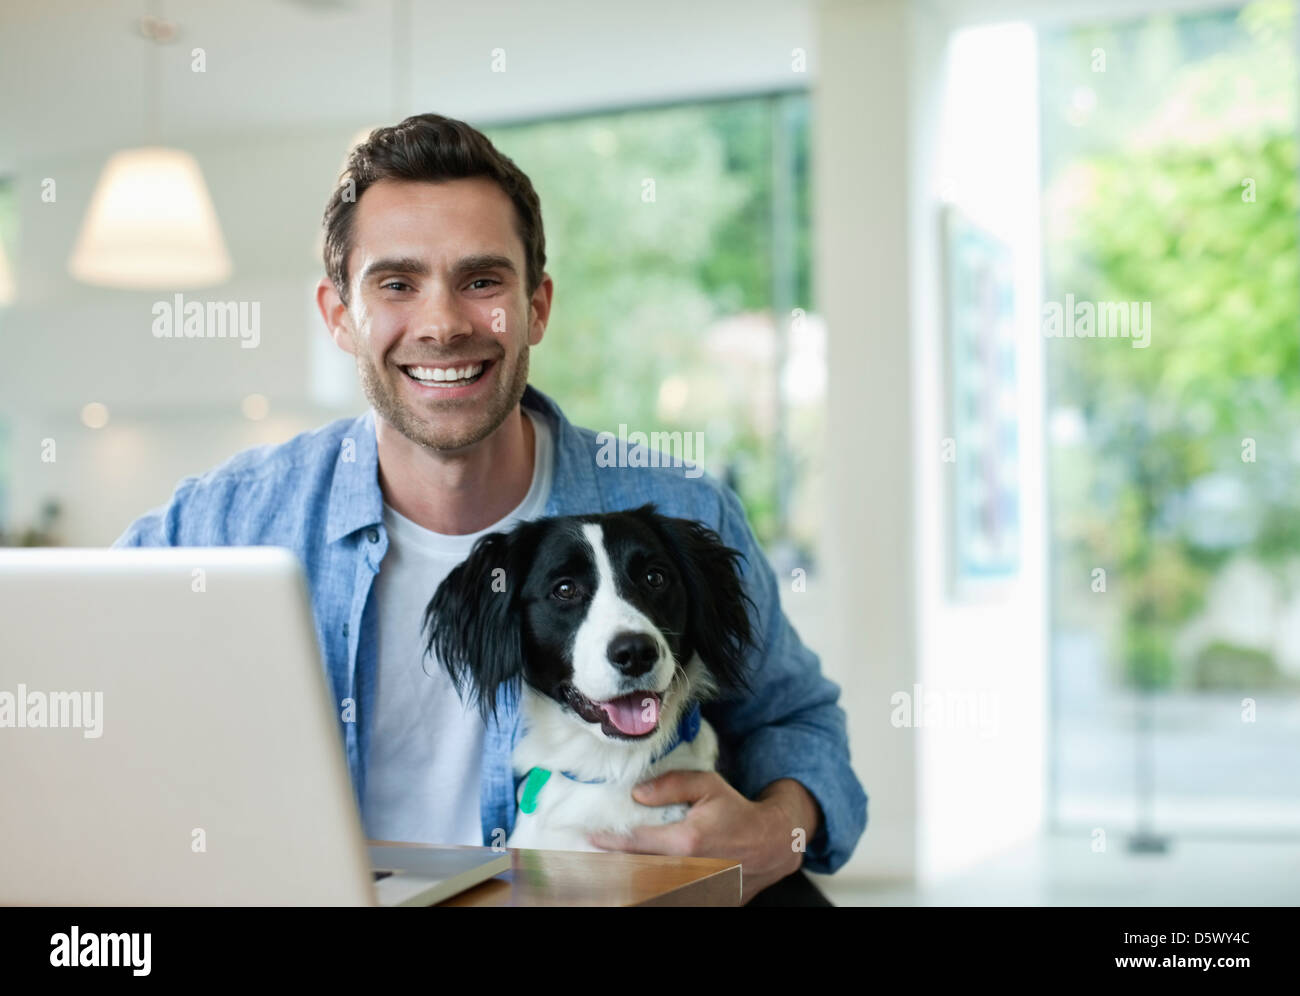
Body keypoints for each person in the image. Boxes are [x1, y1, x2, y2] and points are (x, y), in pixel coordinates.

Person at [113, 113, 866, 906]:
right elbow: (81, 678)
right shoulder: (225, 525)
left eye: (481, 281)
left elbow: (799, 722)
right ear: (340, 317)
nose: (442, 325)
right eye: (396, 283)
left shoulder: (683, 510)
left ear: (536, 306)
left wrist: (778, 830)